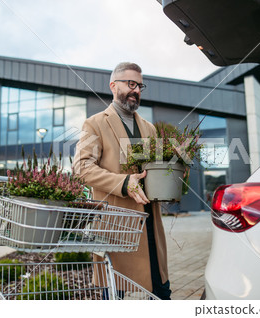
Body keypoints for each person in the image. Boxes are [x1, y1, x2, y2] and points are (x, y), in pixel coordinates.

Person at [72, 62, 171, 299]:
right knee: (114, 294)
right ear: (113, 86)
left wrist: (170, 181)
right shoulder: (94, 123)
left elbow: (154, 168)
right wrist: (124, 183)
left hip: (149, 222)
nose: (135, 90)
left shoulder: (149, 129)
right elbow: (81, 167)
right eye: (130, 83)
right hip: (116, 224)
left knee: (161, 292)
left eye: (139, 85)